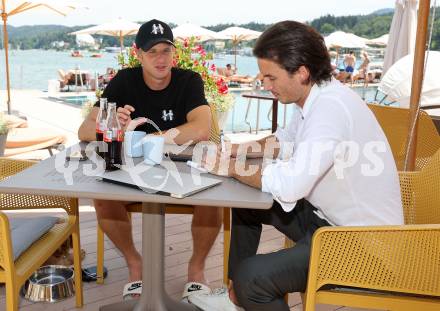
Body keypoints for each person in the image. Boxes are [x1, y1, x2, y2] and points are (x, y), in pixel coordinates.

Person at [188, 20, 403, 311]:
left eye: (271, 78)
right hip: (326, 220)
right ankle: (232, 298)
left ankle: (242, 291)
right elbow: (283, 142)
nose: (265, 85)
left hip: (363, 248)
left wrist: (229, 167)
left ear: (301, 72)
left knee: (251, 278)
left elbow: (290, 184)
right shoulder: (316, 95)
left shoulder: (329, 108)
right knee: (247, 202)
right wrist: (231, 151)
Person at [78, 19, 222, 301]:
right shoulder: (124, 80)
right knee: (102, 197)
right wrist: (110, 125)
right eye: (152, 51)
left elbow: (202, 128)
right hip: (132, 174)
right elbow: (84, 129)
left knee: (213, 196)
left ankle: (196, 271)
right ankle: (135, 265)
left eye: (165, 51)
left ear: (174, 54)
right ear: (139, 54)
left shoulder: (187, 80)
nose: (160, 58)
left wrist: (150, 139)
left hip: (182, 172)